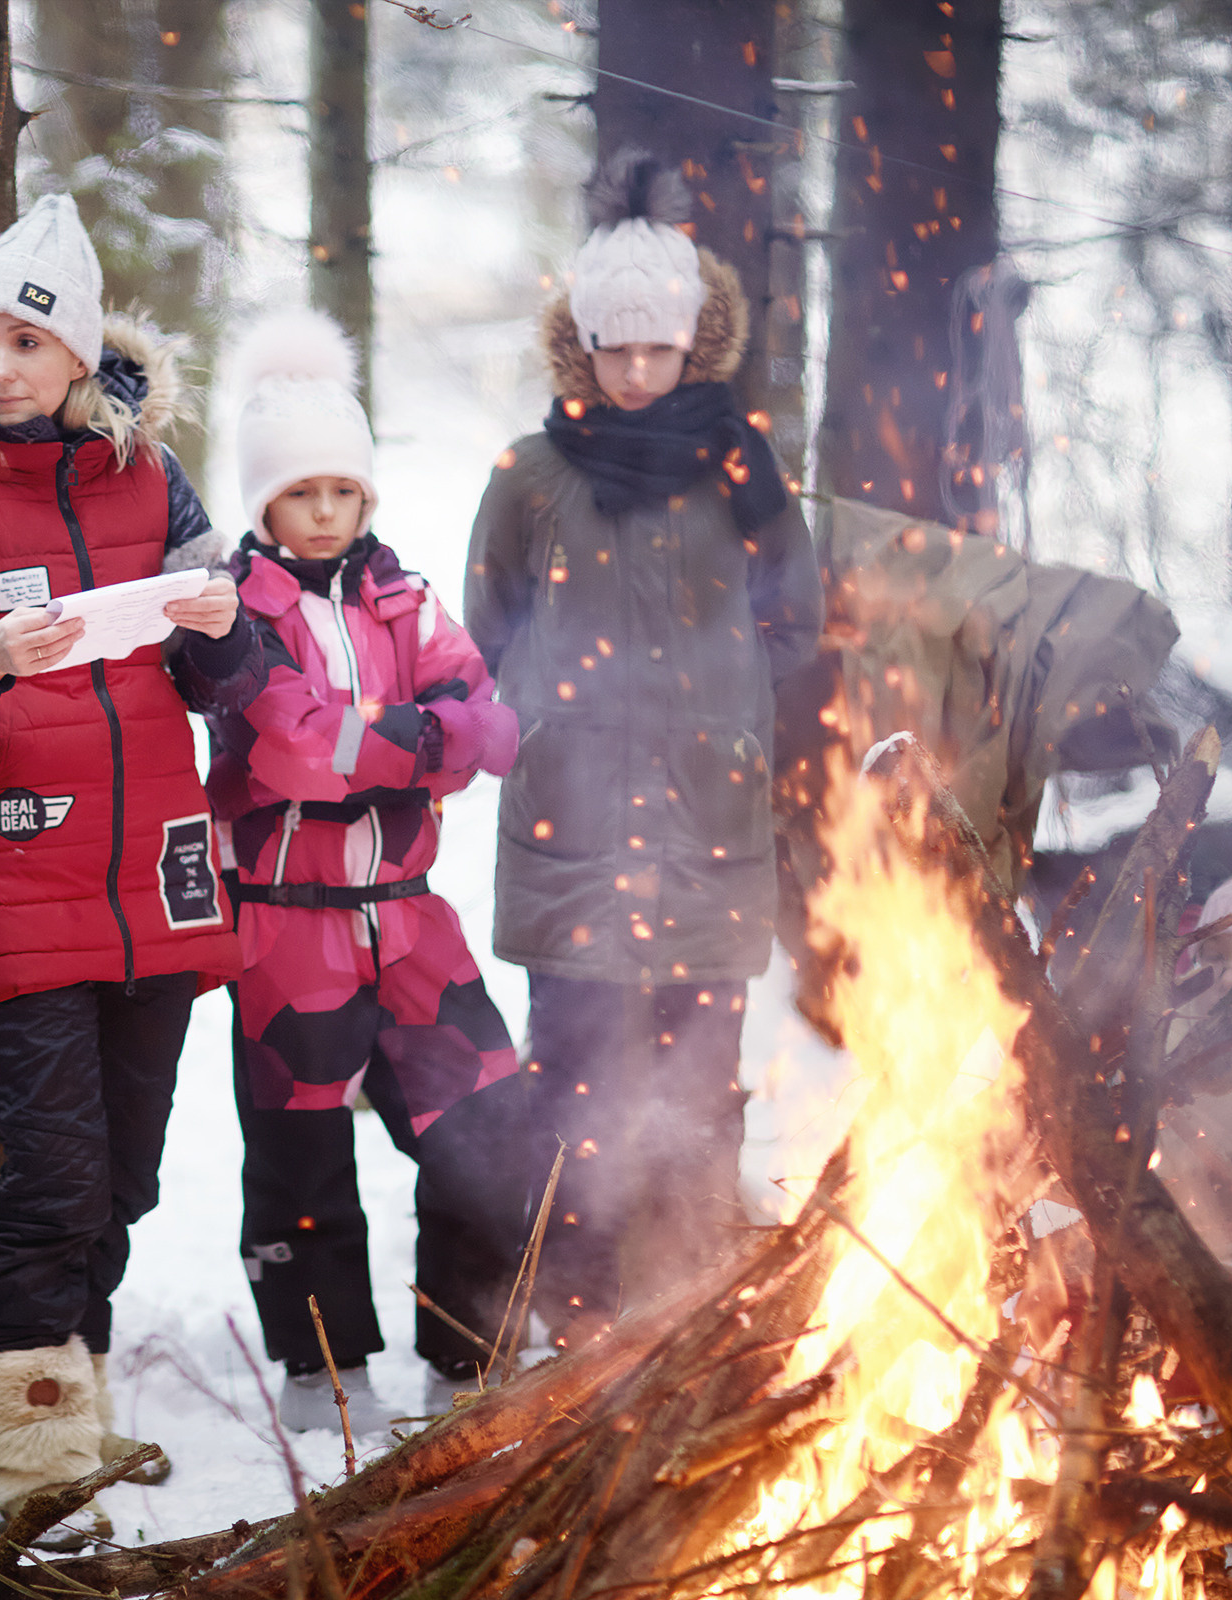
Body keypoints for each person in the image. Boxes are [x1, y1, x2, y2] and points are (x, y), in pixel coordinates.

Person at [0, 193, 264, 1548]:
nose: (1, 370)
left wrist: (219, 623)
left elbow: (237, 679)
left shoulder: (156, 481)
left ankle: (71, 1414)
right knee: (53, 1178)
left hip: (159, 878)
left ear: (81, 358)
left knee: (126, 1181)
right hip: (17, 878)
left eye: (25, 345)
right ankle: (30, 1454)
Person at [463, 149, 823, 1342]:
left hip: (707, 830)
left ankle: (692, 1302)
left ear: (693, 348)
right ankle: (572, 1312)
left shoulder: (742, 470)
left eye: (655, 350)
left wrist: (718, 711)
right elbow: (490, 617)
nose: (633, 371)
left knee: (698, 1077)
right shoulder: (531, 472)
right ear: (580, 348)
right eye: (611, 349)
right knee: (571, 1078)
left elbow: (797, 618)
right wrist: (557, 714)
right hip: (569, 829)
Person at [204, 310, 531, 1427]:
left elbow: (487, 719)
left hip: (409, 915)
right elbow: (298, 746)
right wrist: (418, 743)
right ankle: (319, 1362)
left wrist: (399, 744)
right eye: (304, 493)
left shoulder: (405, 593)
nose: (328, 510)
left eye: (345, 490)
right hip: (287, 923)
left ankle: (472, 1347)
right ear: (266, 505)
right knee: (299, 1151)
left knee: (485, 1118)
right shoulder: (234, 612)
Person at [1156, 866, 1232, 1282]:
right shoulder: (1153, 1030)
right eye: (1215, 956)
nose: (1226, 979)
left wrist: (1212, 1091)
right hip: (1142, 1259)